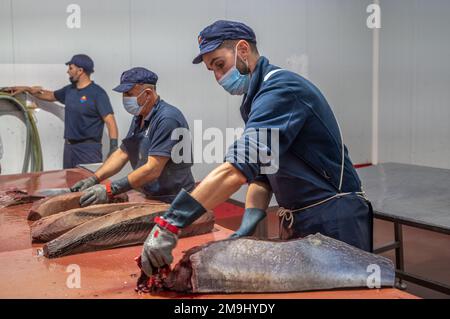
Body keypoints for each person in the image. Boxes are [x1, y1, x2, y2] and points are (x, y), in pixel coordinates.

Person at [137, 20, 373, 278]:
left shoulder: (281, 89)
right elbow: (262, 175)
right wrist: (247, 225)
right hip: (299, 218)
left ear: (243, 50)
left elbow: (236, 170)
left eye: (219, 64)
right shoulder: (256, 100)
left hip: (334, 217)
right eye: (211, 70)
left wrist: (170, 224)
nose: (218, 77)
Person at [72, 67, 195, 206]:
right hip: (151, 195)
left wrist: (110, 189)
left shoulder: (167, 119)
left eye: (129, 93)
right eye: (124, 94)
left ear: (148, 93)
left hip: (173, 199)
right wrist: (94, 178)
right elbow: (123, 153)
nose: (125, 98)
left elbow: (153, 169)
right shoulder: (140, 117)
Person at [7, 54, 119, 168]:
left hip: (88, 150)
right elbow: (50, 95)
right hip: (69, 148)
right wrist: (27, 89)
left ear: (80, 70)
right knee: (69, 183)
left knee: (88, 183)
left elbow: (110, 121)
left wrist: (114, 148)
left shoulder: (98, 94)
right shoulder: (69, 90)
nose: (68, 72)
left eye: (71, 68)